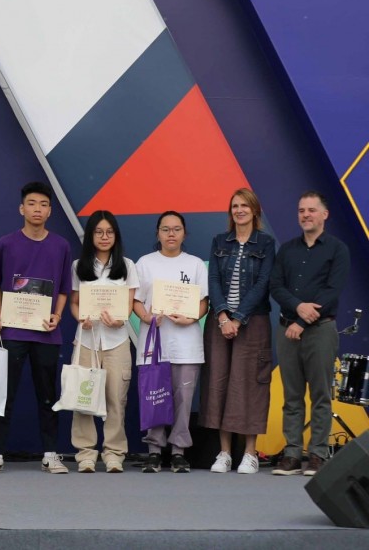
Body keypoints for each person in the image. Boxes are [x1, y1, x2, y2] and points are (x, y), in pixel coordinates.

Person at [0, 182, 73, 475]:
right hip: (12, 332)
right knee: (3, 395)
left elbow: (63, 290)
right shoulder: (5, 244)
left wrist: (57, 316)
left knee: (48, 396)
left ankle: (51, 453)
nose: (37, 209)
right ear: (22, 208)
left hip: (47, 333)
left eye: (43, 204)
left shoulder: (61, 246)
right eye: (31, 203)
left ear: (49, 210)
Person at [269, 191, 350, 477]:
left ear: (324, 214)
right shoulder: (287, 249)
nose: (306, 215)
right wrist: (297, 308)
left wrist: (301, 322)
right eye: (301, 210)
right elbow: (276, 286)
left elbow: (331, 290)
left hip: (320, 331)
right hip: (286, 330)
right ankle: (291, 455)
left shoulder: (337, 249)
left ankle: (316, 454)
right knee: (292, 397)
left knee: (320, 395)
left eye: (312, 210)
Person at [203, 188, 275, 475]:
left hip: (253, 322)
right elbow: (213, 279)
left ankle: (249, 453)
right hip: (220, 322)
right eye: (234, 205)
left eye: (245, 205)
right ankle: (224, 453)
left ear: (255, 210)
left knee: (248, 386)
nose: (239, 210)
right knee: (219, 384)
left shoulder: (266, 243)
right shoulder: (220, 241)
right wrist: (223, 316)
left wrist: (239, 318)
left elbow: (263, 284)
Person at [134, 211, 208, 473]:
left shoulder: (196, 264)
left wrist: (191, 318)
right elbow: (136, 300)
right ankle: (154, 451)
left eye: (176, 229)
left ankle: (178, 452)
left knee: (183, 401)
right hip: (154, 344)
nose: (171, 234)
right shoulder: (144, 263)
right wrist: (147, 316)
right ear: (158, 233)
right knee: (154, 397)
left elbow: (203, 302)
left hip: (186, 345)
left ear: (184, 233)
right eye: (166, 229)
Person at [68, 210, 137, 474]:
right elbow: (74, 304)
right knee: (83, 397)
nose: (104, 237)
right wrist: (81, 318)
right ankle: (85, 453)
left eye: (109, 232)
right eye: (99, 232)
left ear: (115, 235)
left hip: (117, 341)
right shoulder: (78, 266)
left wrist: (121, 320)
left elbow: (129, 304)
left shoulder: (127, 266)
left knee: (116, 399)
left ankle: (114, 452)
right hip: (86, 340)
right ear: (91, 236)